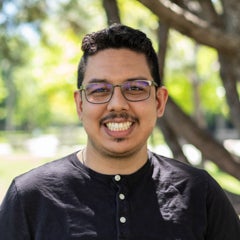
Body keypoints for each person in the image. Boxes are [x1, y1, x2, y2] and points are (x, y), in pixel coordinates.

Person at [0, 23, 239, 240]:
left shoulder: (200, 193)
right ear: (80, 104)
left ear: (159, 101)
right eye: (99, 90)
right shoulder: (30, 198)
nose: (117, 104)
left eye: (135, 88)